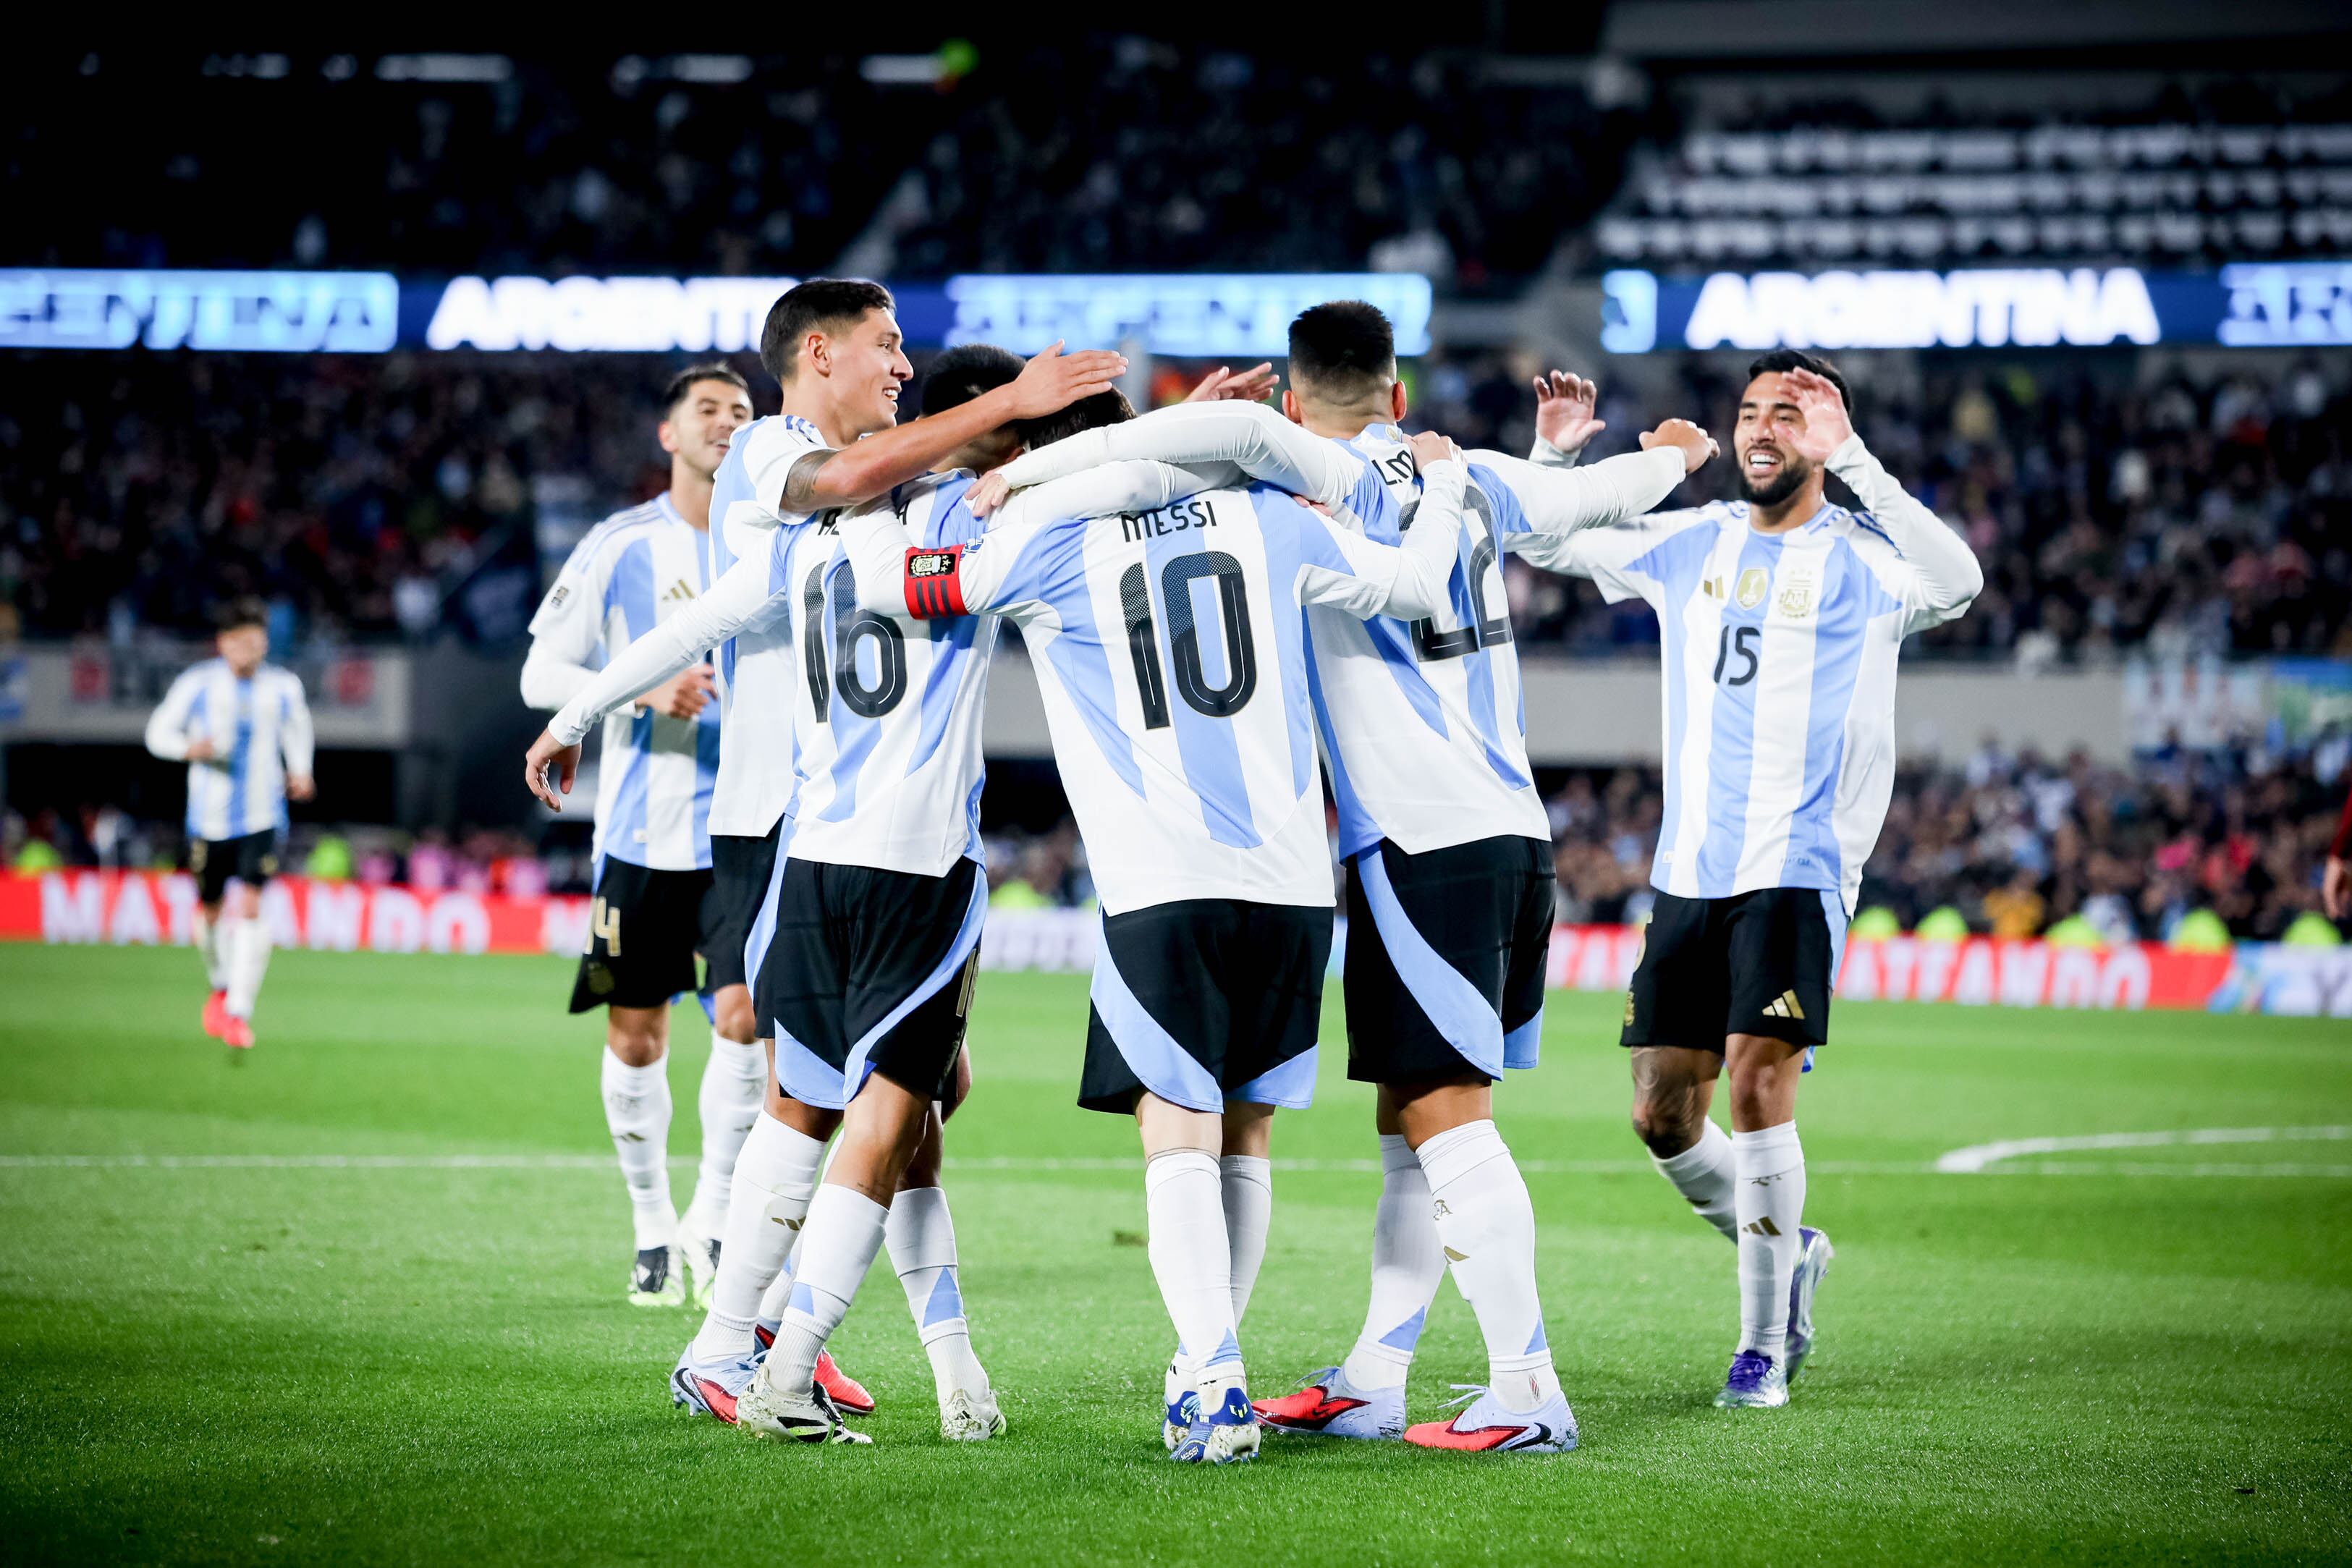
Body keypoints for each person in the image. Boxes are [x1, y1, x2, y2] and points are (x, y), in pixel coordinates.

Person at [970, 311, 1713, 1453]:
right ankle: (1376, 1370)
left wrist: (1027, 466)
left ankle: (1526, 1384)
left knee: (1444, 1121)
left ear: (1288, 411)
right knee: (1408, 1124)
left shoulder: (1308, 482)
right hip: (1508, 827)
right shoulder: (1470, 474)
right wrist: (1657, 454)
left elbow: (1211, 444)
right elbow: (1587, 508)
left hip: (1416, 836)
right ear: (1398, 396)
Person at [823, 390, 1471, 1465]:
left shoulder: (1041, 535)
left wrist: (854, 495)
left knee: (1176, 1128)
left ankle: (1211, 1379)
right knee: (1247, 1125)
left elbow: (898, 588)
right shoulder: (1274, 511)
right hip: (1291, 880)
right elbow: (1414, 585)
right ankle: (1208, 1368)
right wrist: (1438, 484)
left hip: (1160, 877)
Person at [524, 342, 1148, 1441]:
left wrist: (573, 718)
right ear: (986, 428)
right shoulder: (987, 519)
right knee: (892, 1116)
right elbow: (1108, 483)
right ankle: (787, 1369)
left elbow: (692, 624)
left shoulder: (804, 533)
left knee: (808, 1106)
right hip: (920, 873)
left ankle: (737, 1342)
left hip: (809, 863)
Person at [1528, 352, 1981, 1408]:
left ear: (1825, 434)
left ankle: (1761, 1342)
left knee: (1754, 1080)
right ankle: (1791, 1250)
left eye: (1791, 412)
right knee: (1659, 1112)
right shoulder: (1694, 540)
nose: (1762, 429)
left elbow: (1958, 579)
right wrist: (1558, 455)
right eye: (1749, 413)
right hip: (1690, 870)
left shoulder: (1866, 561)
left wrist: (1856, 459)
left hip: (1800, 863)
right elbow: (1542, 536)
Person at [143, 598, 314, 1050]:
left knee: (254, 904)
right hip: (208, 819)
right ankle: (220, 984)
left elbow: (298, 730)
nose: (247, 653)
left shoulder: (282, 686)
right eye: (239, 644)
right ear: (222, 644)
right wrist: (188, 749)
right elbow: (157, 732)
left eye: (256, 644)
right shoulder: (197, 685)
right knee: (211, 910)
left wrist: (300, 769)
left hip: (263, 814)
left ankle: (239, 1008)